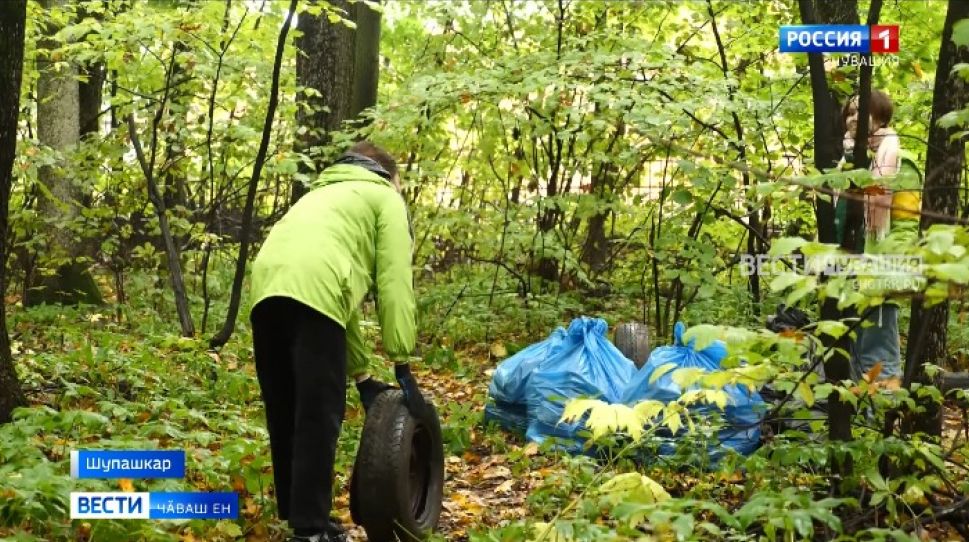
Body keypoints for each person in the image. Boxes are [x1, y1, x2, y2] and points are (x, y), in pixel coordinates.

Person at [248, 141, 426, 542]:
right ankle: (311, 529)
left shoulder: (321, 194)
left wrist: (362, 375)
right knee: (318, 411)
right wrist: (402, 363)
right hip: (316, 290)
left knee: (286, 409)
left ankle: (301, 517)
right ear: (389, 176)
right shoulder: (384, 198)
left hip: (265, 288)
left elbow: (338, 299)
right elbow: (395, 283)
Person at [839, 90, 920, 384]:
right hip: (844, 274)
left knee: (878, 358)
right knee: (848, 354)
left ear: (881, 115)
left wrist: (889, 273)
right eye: (849, 112)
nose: (853, 118)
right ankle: (854, 423)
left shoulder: (899, 162)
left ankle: (879, 425)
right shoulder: (846, 164)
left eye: (861, 111)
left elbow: (907, 225)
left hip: (878, 273)